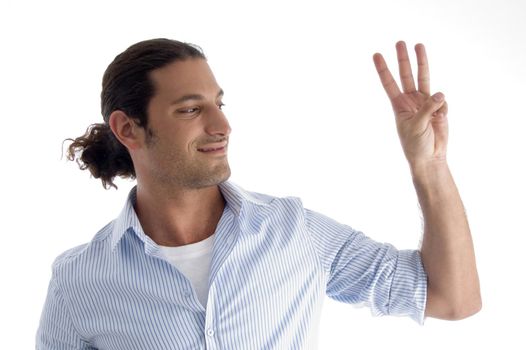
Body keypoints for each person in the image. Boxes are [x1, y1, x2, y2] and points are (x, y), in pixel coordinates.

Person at [36, 38, 481, 349]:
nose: (221, 126)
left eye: (219, 104)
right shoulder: (79, 280)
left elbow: (451, 299)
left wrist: (430, 165)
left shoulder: (294, 230)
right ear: (127, 128)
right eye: (191, 109)